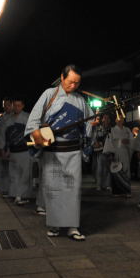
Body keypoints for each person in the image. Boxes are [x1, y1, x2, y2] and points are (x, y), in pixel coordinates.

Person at [25, 65, 93, 241]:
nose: (73, 86)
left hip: (73, 152)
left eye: (77, 83)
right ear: (62, 78)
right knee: (54, 189)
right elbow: (34, 118)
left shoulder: (80, 100)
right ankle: (54, 225)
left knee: (73, 190)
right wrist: (35, 132)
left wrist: (93, 123)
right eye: (70, 82)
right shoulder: (49, 94)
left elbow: (89, 122)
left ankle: (72, 226)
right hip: (53, 150)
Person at [0, 97, 33, 205]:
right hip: (12, 151)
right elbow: (3, 136)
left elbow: (33, 133)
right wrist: (2, 148)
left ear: (22, 106)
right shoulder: (7, 120)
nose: (16, 108)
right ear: (12, 106)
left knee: (25, 174)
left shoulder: (28, 117)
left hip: (25, 150)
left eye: (19, 105)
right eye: (15, 105)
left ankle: (20, 195)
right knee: (14, 174)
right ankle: (16, 195)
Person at [92, 114, 112, 191]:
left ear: (109, 120)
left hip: (109, 150)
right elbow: (94, 138)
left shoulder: (111, 129)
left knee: (108, 168)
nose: (106, 119)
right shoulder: (98, 128)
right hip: (100, 150)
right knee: (99, 168)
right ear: (102, 119)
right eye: (104, 118)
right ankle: (99, 185)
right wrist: (95, 143)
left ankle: (107, 185)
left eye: (107, 118)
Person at [111, 116, 133, 182]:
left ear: (123, 120)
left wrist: (128, 141)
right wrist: (120, 141)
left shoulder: (127, 129)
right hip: (117, 151)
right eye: (118, 119)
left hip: (126, 151)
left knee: (126, 167)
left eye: (121, 119)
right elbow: (111, 141)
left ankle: (126, 183)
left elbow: (132, 140)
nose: (120, 120)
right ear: (116, 120)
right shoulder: (113, 129)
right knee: (118, 168)